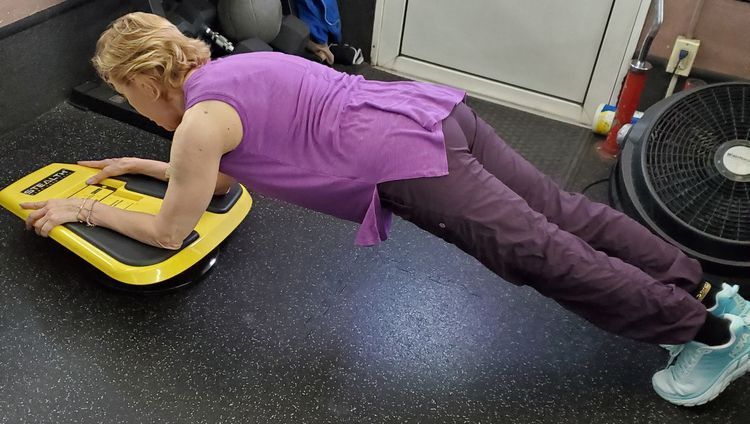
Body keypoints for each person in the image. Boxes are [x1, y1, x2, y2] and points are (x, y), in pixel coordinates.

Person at [19, 12, 750, 406]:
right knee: (565, 212)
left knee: (540, 253)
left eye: (128, 93)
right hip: (435, 115)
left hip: (406, 160)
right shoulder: (232, 66)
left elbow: (172, 224)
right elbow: (208, 182)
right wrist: (145, 163)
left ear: (147, 79)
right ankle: (705, 286)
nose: (133, 107)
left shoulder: (200, 123)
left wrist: (82, 210)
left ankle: (710, 334)